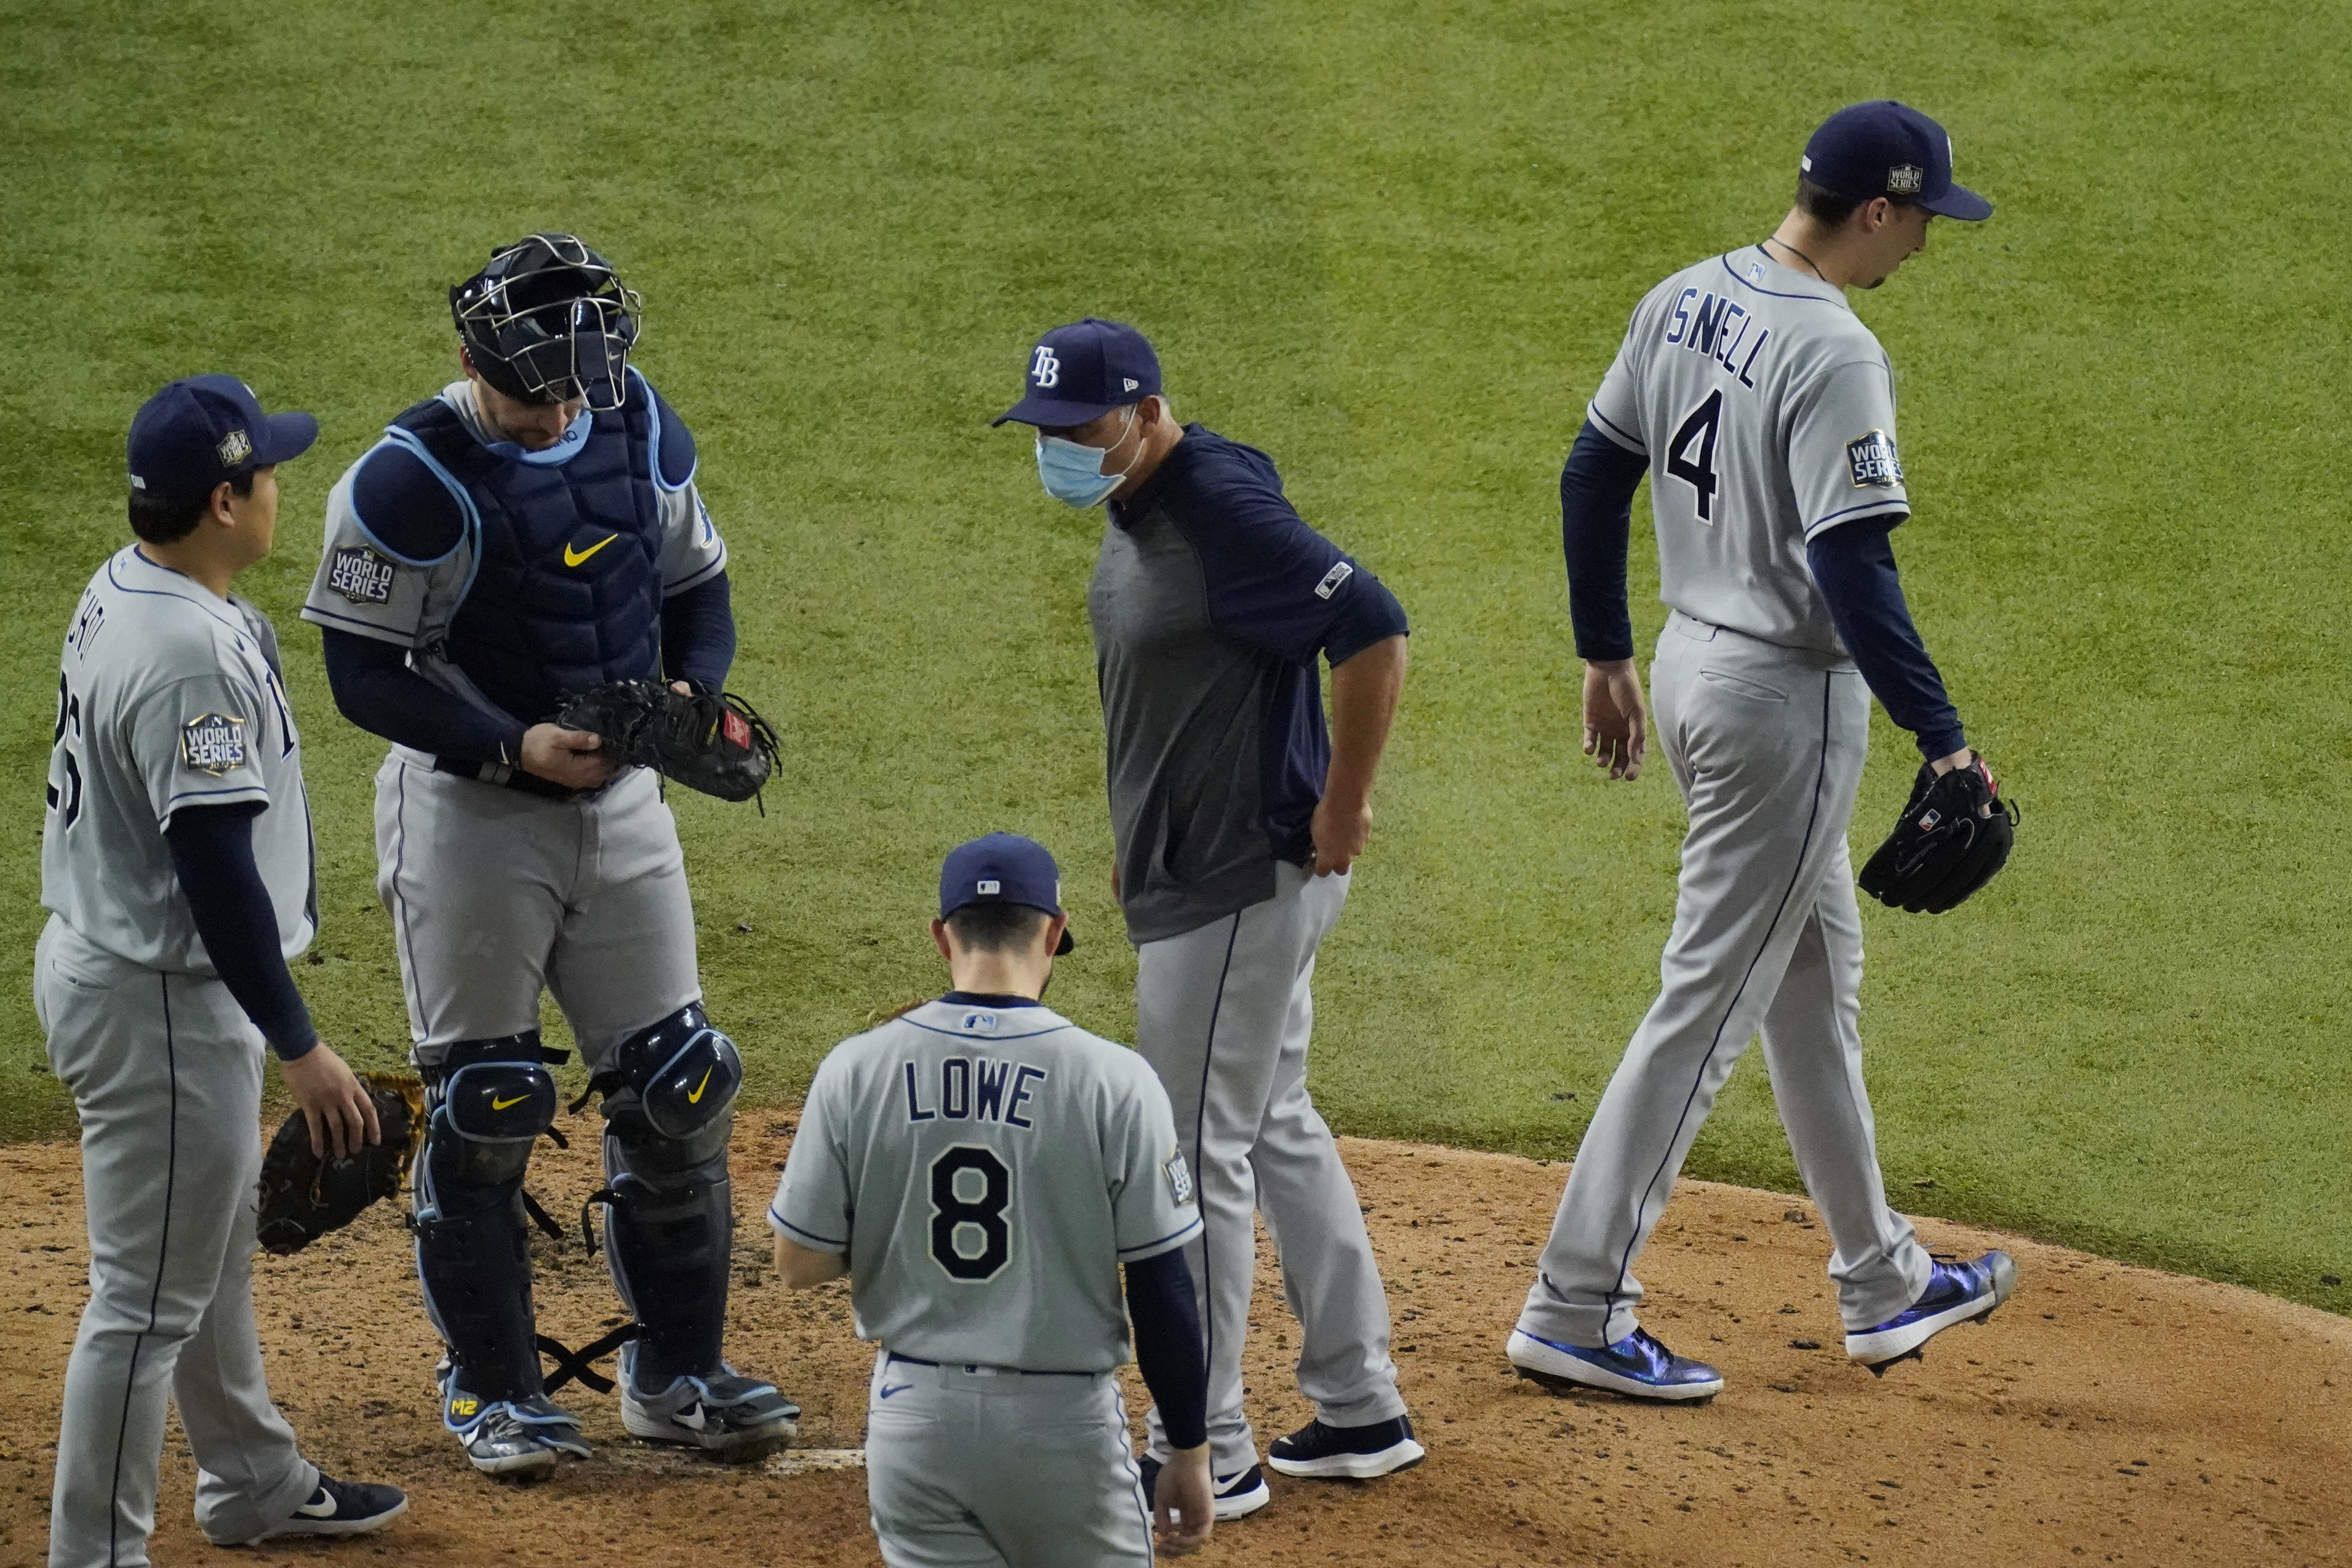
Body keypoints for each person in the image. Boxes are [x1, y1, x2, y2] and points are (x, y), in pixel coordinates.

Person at [1506, 101, 2017, 1403]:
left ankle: (1881, 1279)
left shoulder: (1681, 296)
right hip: (1780, 705)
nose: (1921, 248)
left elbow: (1589, 468)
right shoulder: (1833, 349)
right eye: (1919, 223)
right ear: (1873, 211)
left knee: (1809, 986)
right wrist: (1945, 742)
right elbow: (1850, 560)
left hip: (1685, 666)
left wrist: (1603, 652)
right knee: (1707, 1004)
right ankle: (1574, 1304)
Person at [297, 233, 795, 1473]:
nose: (558, 412)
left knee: (682, 1084)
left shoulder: (635, 423)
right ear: (472, 359)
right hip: (469, 812)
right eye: (535, 392)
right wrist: (508, 748)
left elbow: (700, 585)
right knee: (488, 1100)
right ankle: (492, 1388)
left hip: (622, 802)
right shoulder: (408, 479)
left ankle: (677, 1372)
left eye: (576, 388)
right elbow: (361, 672)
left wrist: (690, 699)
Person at [993, 321, 1420, 1516]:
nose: (1059, 450)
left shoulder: (1217, 504)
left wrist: (1342, 805)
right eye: (1044, 431)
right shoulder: (1155, 495)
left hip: (1242, 877)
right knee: (1270, 1118)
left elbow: (1374, 627)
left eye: (1079, 427)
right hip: (1194, 869)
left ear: (1142, 409)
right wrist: (1141, 833)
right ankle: (1358, 1402)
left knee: (1191, 1156)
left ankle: (1211, 1441)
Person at [37, 376, 408, 1563]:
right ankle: (94, 1553)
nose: (282, 489)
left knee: (191, 1257)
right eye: (268, 473)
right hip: (162, 1001)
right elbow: (215, 871)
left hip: (130, 968)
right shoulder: (188, 649)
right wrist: (301, 1047)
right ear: (223, 497)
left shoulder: (138, 581)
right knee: (142, 1306)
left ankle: (251, 1478)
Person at [769, 835, 1214, 1566]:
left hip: (914, 1421)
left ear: (942, 937)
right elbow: (1162, 1286)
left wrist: (894, 1221)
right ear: (1054, 931)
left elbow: (798, 1262)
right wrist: (1190, 1450)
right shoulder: (1114, 1079)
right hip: (1060, 1427)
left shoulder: (857, 1067)